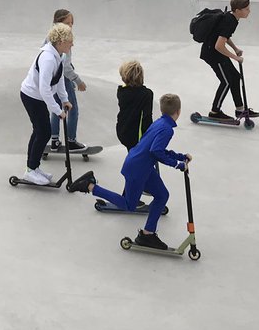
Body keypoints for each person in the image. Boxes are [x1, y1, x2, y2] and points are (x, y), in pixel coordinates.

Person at [66, 94, 191, 252]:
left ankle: (148, 234)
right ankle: (90, 186)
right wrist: (177, 164)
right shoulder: (167, 129)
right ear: (178, 112)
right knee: (129, 205)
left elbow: (156, 149)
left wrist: (180, 156)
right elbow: (156, 151)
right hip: (138, 170)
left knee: (162, 195)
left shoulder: (160, 123)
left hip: (142, 166)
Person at [18, 21, 73, 185]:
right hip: (32, 97)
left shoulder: (59, 56)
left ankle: (33, 168)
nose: (72, 44)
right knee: (43, 132)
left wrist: (65, 99)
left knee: (40, 131)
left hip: (39, 97)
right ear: (61, 42)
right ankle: (30, 170)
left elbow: (60, 79)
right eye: (70, 42)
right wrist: (57, 110)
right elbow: (44, 89)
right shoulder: (48, 58)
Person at [199, 0, 259, 120]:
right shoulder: (230, 21)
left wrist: (235, 48)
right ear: (238, 11)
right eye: (246, 9)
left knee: (235, 77)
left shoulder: (231, 18)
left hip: (217, 52)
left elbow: (224, 36)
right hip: (212, 54)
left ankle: (240, 109)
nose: (249, 11)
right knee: (226, 82)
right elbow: (219, 46)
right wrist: (235, 57)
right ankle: (214, 112)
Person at [48, 9, 88, 153]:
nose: (70, 26)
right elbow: (65, 67)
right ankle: (71, 141)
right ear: (57, 23)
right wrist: (78, 81)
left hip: (53, 76)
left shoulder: (50, 37)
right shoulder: (64, 39)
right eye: (67, 23)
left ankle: (54, 140)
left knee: (56, 108)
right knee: (73, 108)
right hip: (63, 78)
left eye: (72, 23)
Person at [114, 60, 154, 152]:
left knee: (132, 154)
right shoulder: (147, 94)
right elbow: (147, 117)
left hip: (122, 130)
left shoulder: (121, 92)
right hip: (136, 135)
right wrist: (150, 138)